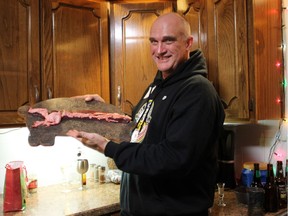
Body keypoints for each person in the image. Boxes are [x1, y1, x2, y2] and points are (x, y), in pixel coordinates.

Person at [68, 12, 225, 216]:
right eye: (154, 42)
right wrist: (106, 114)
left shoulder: (197, 91)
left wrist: (108, 147)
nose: (159, 50)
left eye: (168, 41)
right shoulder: (156, 87)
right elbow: (140, 134)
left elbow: (173, 158)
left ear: (188, 43)